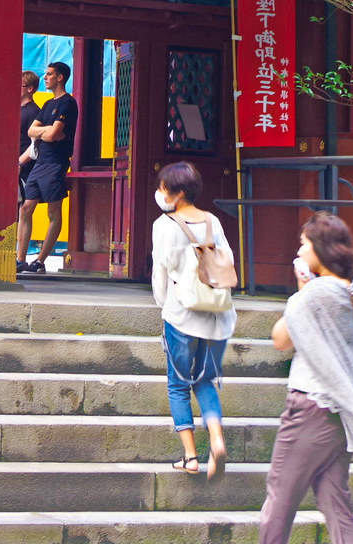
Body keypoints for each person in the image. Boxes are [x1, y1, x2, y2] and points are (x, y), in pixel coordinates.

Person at [262, 212, 353, 544]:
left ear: (321, 248)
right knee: (336, 503)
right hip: (343, 410)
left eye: (304, 243)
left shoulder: (318, 294)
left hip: (311, 405)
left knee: (280, 497)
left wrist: (302, 290)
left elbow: (280, 339)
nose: (300, 250)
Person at [150, 160, 237, 480]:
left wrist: (164, 303)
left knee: (177, 384)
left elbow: (160, 272)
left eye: (163, 188)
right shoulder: (213, 220)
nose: (159, 193)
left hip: (182, 315)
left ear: (178, 193)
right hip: (218, 317)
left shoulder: (164, 225)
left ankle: (190, 457)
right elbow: (225, 263)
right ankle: (216, 440)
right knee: (204, 380)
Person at [16, 61, 77, 274]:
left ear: (60, 77)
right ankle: (20, 258)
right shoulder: (47, 104)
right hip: (40, 162)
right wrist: (47, 131)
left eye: (49, 74)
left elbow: (49, 135)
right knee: (25, 208)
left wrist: (45, 131)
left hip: (56, 162)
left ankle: (40, 261)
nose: (45, 78)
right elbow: (32, 131)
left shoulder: (68, 103)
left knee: (53, 211)